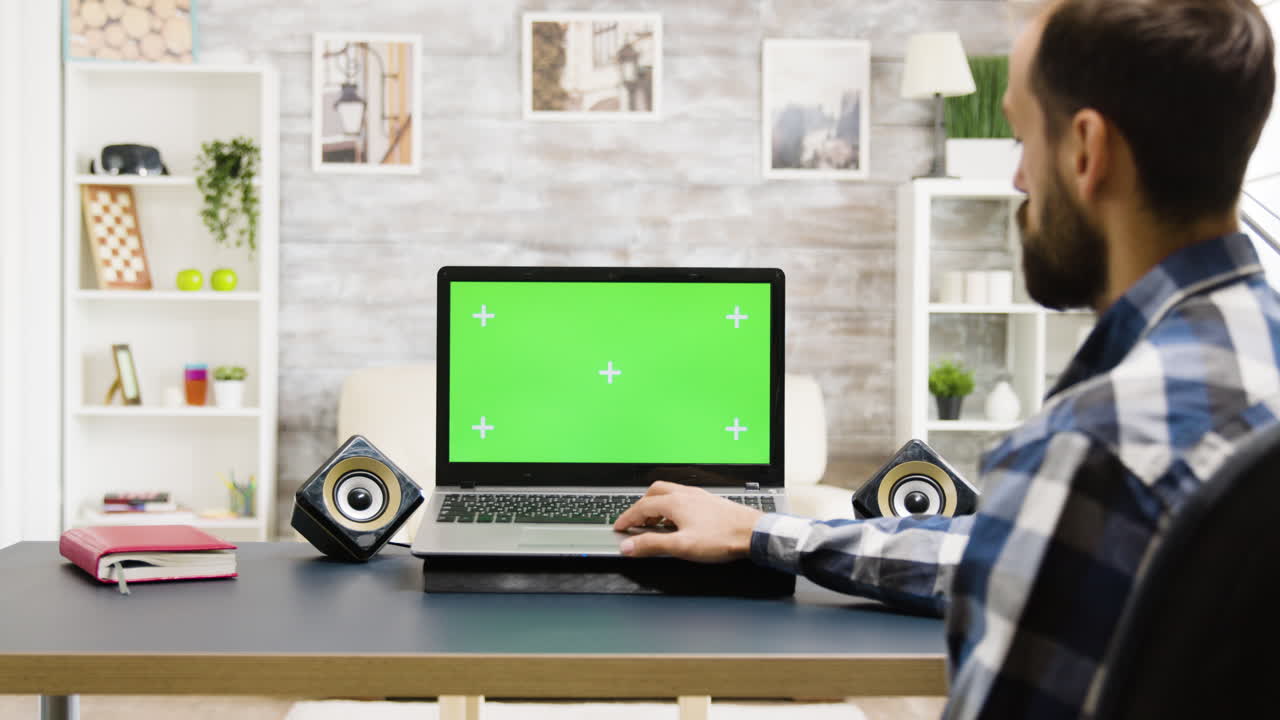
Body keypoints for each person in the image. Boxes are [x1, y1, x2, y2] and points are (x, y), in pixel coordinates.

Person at [613, 0, 1277, 717]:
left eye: (1021, 137)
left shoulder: (1092, 452)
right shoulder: (1251, 362)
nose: (1018, 179)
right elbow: (1009, 553)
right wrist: (758, 531)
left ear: (1086, 151)